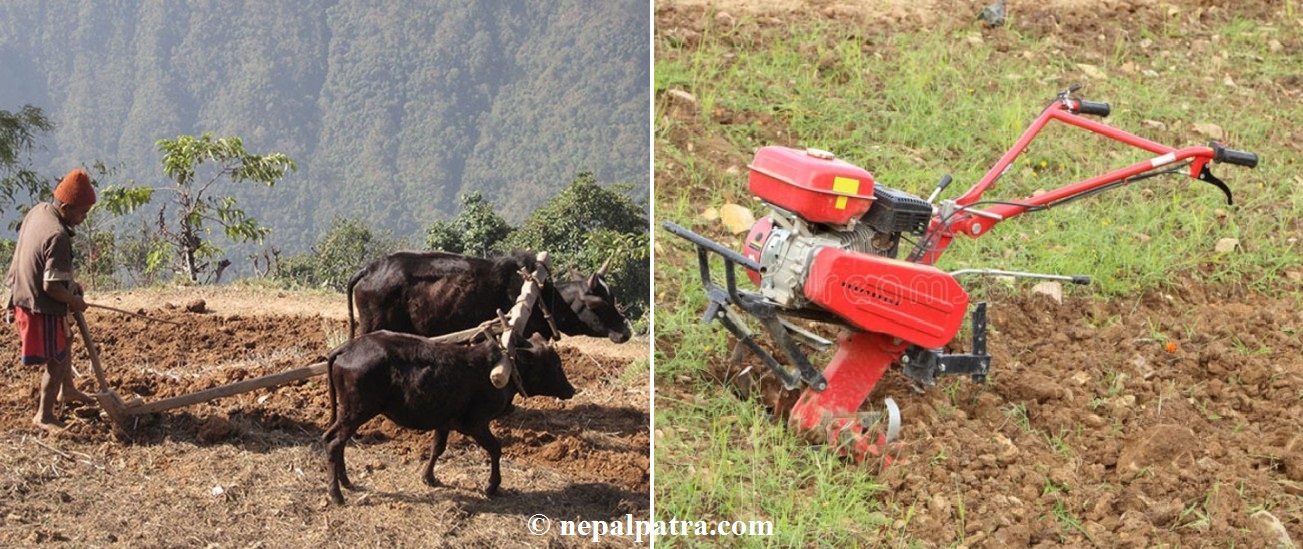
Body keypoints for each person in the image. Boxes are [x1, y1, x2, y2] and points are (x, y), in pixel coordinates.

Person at [5, 168, 96, 430]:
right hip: (38, 305)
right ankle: (44, 416)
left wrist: (70, 285)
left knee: (65, 340)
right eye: (82, 213)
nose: (83, 218)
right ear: (66, 207)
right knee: (55, 361)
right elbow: (51, 288)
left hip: (22, 292)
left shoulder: (40, 210)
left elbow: (47, 269)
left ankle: (67, 390)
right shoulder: (58, 236)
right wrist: (74, 300)